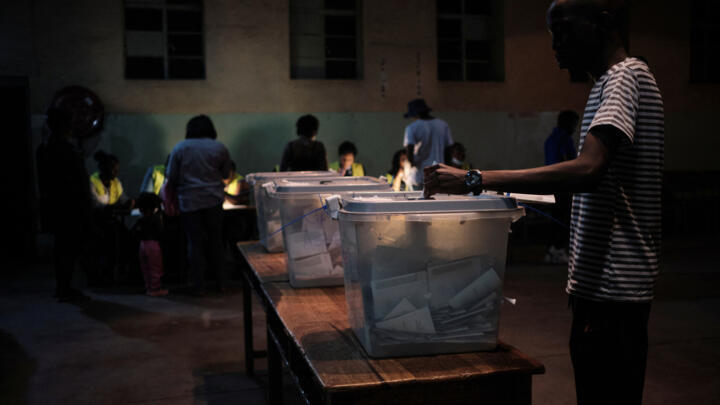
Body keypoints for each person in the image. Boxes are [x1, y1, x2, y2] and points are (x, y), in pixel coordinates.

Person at [424, 1, 662, 404]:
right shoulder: (609, 83)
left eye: (564, 30)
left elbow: (588, 169)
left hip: (612, 293)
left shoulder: (625, 77)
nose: (555, 44)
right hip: (604, 291)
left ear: (604, 24)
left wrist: (474, 179)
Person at [165, 115, 232, 295]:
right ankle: (222, 282)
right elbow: (225, 173)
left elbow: (171, 176)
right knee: (216, 242)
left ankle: (198, 285)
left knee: (194, 243)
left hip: (189, 202)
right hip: (214, 200)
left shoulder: (180, 148)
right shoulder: (219, 147)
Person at [36, 108, 92, 302]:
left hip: (57, 204)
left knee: (63, 248)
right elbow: (78, 181)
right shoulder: (65, 149)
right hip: (70, 206)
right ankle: (65, 288)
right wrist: (85, 204)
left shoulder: (45, 148)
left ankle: (64, 287)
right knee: (68, 248)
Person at [544, 110, 580, 264]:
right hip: (562, 185)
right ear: (568, 123)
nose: (575, 127)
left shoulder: (550, 139)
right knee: (563, 218)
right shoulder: (564, 139)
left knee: (555, 218)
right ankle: (557, 250)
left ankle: (552, 250)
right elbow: (571, 162)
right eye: (574, 124)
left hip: (551, 184)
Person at [402, 98, 453, 186]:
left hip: (420, 175)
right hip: (438, 174)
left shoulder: (412, 128)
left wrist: (412, 165)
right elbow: (448, 151)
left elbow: (410, 153)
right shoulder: (442, 125)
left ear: (415, 114)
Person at [132, 192, 168, 297]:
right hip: (153, 245)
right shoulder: (155, 219)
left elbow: (134, 231)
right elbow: (161, 232)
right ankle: (155, 288)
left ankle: (148, 287)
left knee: (145, 268)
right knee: (155, 268)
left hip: (142, 245)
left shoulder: (140, 220)